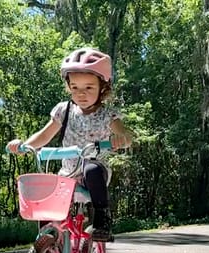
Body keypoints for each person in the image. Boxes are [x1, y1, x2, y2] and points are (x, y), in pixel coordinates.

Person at [7, 47, 134, 242]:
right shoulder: (63, 110)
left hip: (94, 172)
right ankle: (48, 245)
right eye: (75, 87)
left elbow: (125, 134)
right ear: (68, 86)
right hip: (67, 173)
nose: (81, 94)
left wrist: (121, 138)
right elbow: (45, 135)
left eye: (89, 87)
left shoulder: (108, 115)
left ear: (103, 88)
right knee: (46, 195)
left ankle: (102, 219)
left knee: (91, 167)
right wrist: (24, 145)